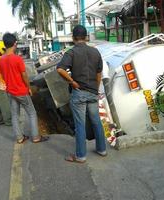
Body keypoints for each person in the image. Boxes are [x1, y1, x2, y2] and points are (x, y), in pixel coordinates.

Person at [57, 25, 107, 163]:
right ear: (86, 37)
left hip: (79, 93)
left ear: (73, 38)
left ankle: (80, 156)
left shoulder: (71, 53)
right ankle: (102, 149)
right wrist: (95, 89)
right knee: (96, 121)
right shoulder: (95, 52)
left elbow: (60, 69)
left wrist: (72, 81)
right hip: (92, 92)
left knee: (80, 125)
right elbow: (99, 73)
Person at [0, 32, 49, 144]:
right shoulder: (17, 59)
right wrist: (29, 88)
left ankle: (19, 138)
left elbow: (3, 75)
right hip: (21, 91)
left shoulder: (1, 60)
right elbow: (24, 75)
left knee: (14, 115)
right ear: (15, 43)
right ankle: (36, 137)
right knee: (32, 113)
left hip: (10, 91)